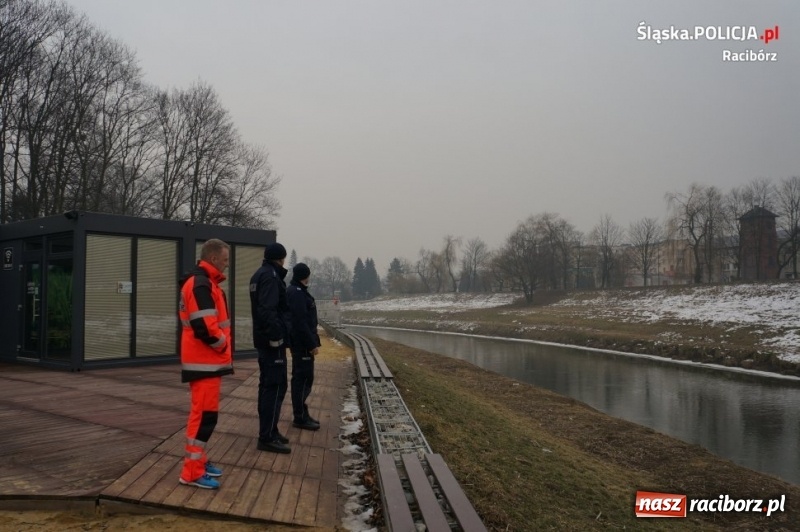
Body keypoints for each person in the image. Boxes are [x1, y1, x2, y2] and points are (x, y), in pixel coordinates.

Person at [178, 238, 233, 490]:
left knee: (203, 415)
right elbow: (205, 328)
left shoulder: (203, 282)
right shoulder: (201, 284)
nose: (227, 264)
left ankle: (199, 461)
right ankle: (192, 472)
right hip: (205, 361)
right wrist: (222, 345)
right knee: (203, 417)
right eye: (225, 259)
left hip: (205, 361)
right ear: (213, 259)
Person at [250, 242, 292, 454]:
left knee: (270, 386)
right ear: (281, 258)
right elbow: (268, 311)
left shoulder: (259, 274)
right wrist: (277, 338)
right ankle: (266, 436)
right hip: (272, 343)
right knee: (274, 387)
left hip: (264, 341)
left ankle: (271, 431)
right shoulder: (271, 277)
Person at [287, 263, 321, 431]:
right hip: (302, 346)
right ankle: (299, 416)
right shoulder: (297, 293)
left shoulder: (296, 291)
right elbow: (301, 322)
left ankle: (302, 413)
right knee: (303, 379)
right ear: (305, 276)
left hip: (301, 344)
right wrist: (311, 345)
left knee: (303, 378)